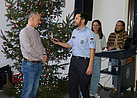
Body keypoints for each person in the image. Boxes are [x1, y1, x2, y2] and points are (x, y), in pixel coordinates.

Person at [51, 13, 96, 98]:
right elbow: (70, 44)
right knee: (72, 85)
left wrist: (90, 66)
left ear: (82, 21)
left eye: (76, 18)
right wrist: (58, 43)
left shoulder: (89, 33)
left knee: (84, 87)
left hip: (84, 62)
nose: (74, 20)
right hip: (74, 61)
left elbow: (92, 50)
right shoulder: (75, 31)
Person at [19, 12, 47, 98]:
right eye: (38, 20)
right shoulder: (24, 32)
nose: (39, 22)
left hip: (38, 64)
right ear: (32, 19)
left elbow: (40, 46)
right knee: (27, 90)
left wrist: (44, 54)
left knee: (34, 89)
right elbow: (29, 49)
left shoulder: (36, 32)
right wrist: (41, 57)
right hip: (29, 65)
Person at [107, 20, 128, 96]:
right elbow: (108, 44)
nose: (117, 27)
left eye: (119, 25)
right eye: (116, 25)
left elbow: (124, 45)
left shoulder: (125, 34)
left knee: (121, 72)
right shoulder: (112, 34)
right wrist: (109, 47)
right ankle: (116, 88)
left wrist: (116, 47)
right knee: (114, 73)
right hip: (113, 55)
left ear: (123, 27)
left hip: (121, 56)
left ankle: (121, 89)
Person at [89, 20, 106, 98]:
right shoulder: (89, 35)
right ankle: (85, 92)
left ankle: (93, 92)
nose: (95, 27)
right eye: (93, 25)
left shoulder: (101, 36)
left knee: (96, 75)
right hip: (89, 57)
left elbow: (103, 46)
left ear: (99, 26)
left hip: (97, 56)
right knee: (87, 75)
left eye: (96, 25)